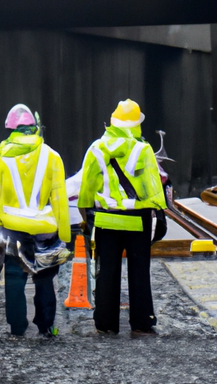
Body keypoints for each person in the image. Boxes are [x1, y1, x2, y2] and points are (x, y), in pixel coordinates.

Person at [78, 99, 166, 335]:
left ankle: (106, 324)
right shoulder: (143, 149)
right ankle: (142, 323)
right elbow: (153, 186)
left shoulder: (96, 148)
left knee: (106, 271)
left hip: (107, 219)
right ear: (136, 124)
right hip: (138, 219)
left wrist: (86, 217)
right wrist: (160, 212)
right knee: (139, 270)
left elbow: (87, 187)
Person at [0, 104, 70, 338]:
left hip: (12, 228)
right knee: (45, 279)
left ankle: (17, 328)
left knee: (14, 278)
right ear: (35, 129)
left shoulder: (2, 157)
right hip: (45, 230)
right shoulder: (52, 156)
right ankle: (46, 327)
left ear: (11, 130)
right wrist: (64, 234)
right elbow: (59, 200)